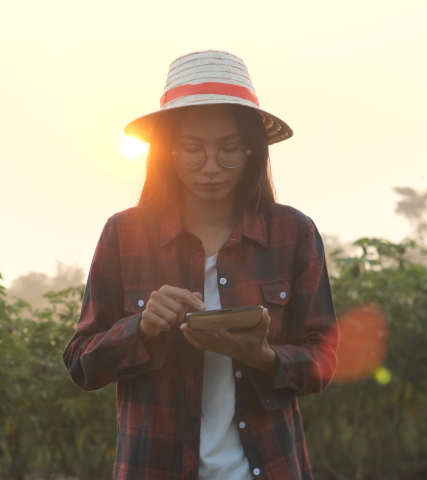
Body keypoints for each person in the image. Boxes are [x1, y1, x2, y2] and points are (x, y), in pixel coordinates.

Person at [62, 50, 339, 480]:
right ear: (167, 152)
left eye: (229, 149)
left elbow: (323, 359)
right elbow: (81, 363)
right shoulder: (125, 234)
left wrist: (264, 356)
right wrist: (142, 326)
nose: (211, 167)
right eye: (192, 149)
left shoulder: (292, 233)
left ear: (252, 151)